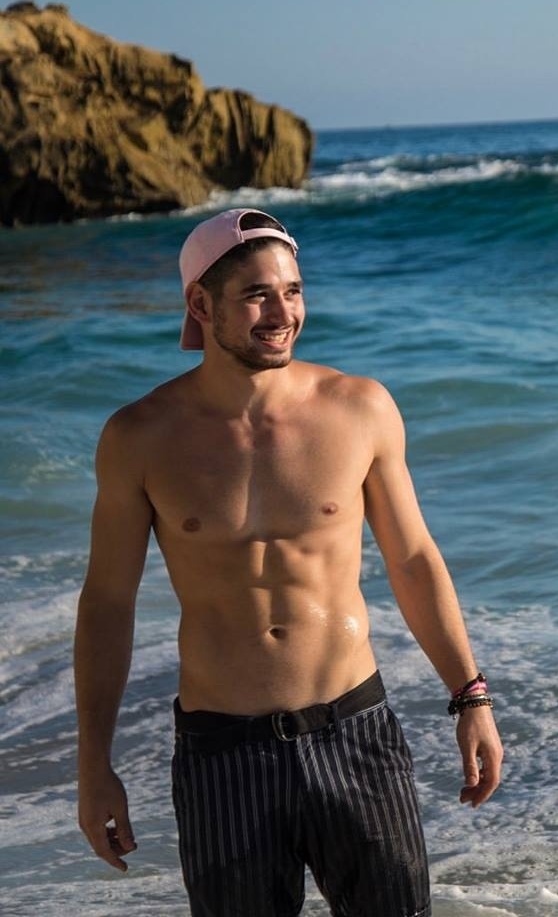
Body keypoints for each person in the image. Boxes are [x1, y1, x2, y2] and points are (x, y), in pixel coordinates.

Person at [74, 207, 503, 917]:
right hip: (222, 754)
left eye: (293, 291)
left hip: (355, 735)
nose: (283, 314)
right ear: (200, 304)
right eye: (258, 295)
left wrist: (470, 696)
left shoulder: (359, 408)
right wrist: (94, 764)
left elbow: (414, 559)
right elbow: (107, 604)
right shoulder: (139, 437)